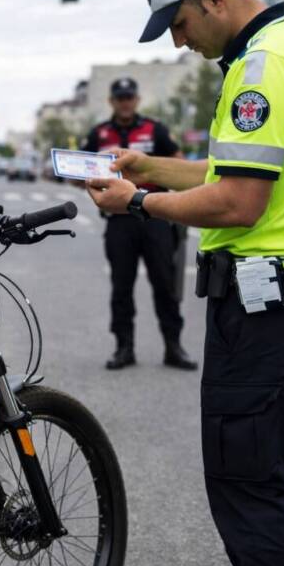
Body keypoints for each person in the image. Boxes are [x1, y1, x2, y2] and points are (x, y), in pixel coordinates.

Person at [85, 0, 284, 566]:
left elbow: (238, 202)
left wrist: (140, 202)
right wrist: (150, 168)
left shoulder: (259, 67)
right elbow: (244, 170)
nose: (179, 42)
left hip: (269, 302)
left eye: (178, 23)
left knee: (250, 477)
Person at [83, 77, 196, 371]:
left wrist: (156, 171)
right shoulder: (100, 133)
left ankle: (174, 346)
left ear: (136, 100)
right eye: (119, 98)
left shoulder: (154, 129)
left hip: (155, 215)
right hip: (120, 221)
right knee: (121, 286)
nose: (125, 102)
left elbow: (178, 161)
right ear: (112, 101)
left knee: (165, 283)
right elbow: (79, 170)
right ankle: (124, 347)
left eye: (129, 97)